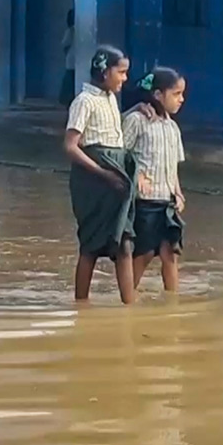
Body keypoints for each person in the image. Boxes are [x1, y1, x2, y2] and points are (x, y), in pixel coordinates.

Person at [63, 45, 136, 304]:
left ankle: (131, 307)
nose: (125, 79)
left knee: (124, 241)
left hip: (115, 179)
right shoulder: (84, 101)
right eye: (122, 72)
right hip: (93, 182)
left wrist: (139, 109)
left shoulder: (110, 100)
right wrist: (103, 173)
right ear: (105, 72)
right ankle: (80, 305)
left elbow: (111, 132)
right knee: (91, 245)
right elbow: (71, 146)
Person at [123, 67, 187, 293]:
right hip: (145, 201)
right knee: (144, 253)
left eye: (182, 94)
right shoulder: (137, 121)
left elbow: (173, 167)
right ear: (158, 94)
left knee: (170, 253)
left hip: (167, 201)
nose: (181, 99)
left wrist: (178, 193)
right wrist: (137, 175)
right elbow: (120, 153)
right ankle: (126, 299)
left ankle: (173, 303)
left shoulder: (173, 128)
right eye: (176, 94)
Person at [58, 10, 76, 106]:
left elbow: (65, 44)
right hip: (76, 61)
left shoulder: (70, 30)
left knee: (69, 81)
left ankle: (66, 100)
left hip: (71, 61)